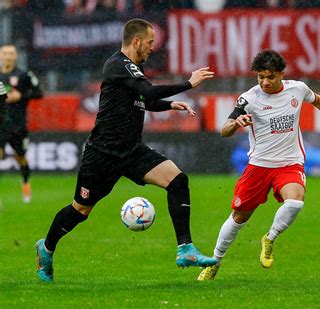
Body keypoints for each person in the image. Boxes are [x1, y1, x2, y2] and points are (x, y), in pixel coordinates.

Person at [35, 18, 218, 283]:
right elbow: (148, 91)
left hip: (132, 151)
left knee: (178, 180)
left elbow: (144, 99)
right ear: (136, 41)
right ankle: (47, 247)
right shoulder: (117, 65)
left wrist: (170, 105)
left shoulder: (134, 67)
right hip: (103, 154)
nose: (152, 48)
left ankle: (185, 249)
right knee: (80, 211)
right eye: (150, 42)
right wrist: (188, 84)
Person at [197, 49, 320, 281]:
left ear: (281, 75)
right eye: (260, 77)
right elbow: (224, 130)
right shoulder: (250, 98)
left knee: (295, 201)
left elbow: (318, 101)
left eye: (270, 77)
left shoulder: (297, 89)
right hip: (258, 166)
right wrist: (236, 123)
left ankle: (269, 238)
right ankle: (214, 262)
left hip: (289, 163)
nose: (265, 82)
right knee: (239, 217)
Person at [0, 44, 43, 203]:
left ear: (16, 55)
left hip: (18, 125)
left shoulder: (24, 75)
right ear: (0, 56)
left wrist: (21, 95)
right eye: (5, 53)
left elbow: (39, 93)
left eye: (11, 53)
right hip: (1, 124)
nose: (8, 56)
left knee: (21, 158)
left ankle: (25, 184)